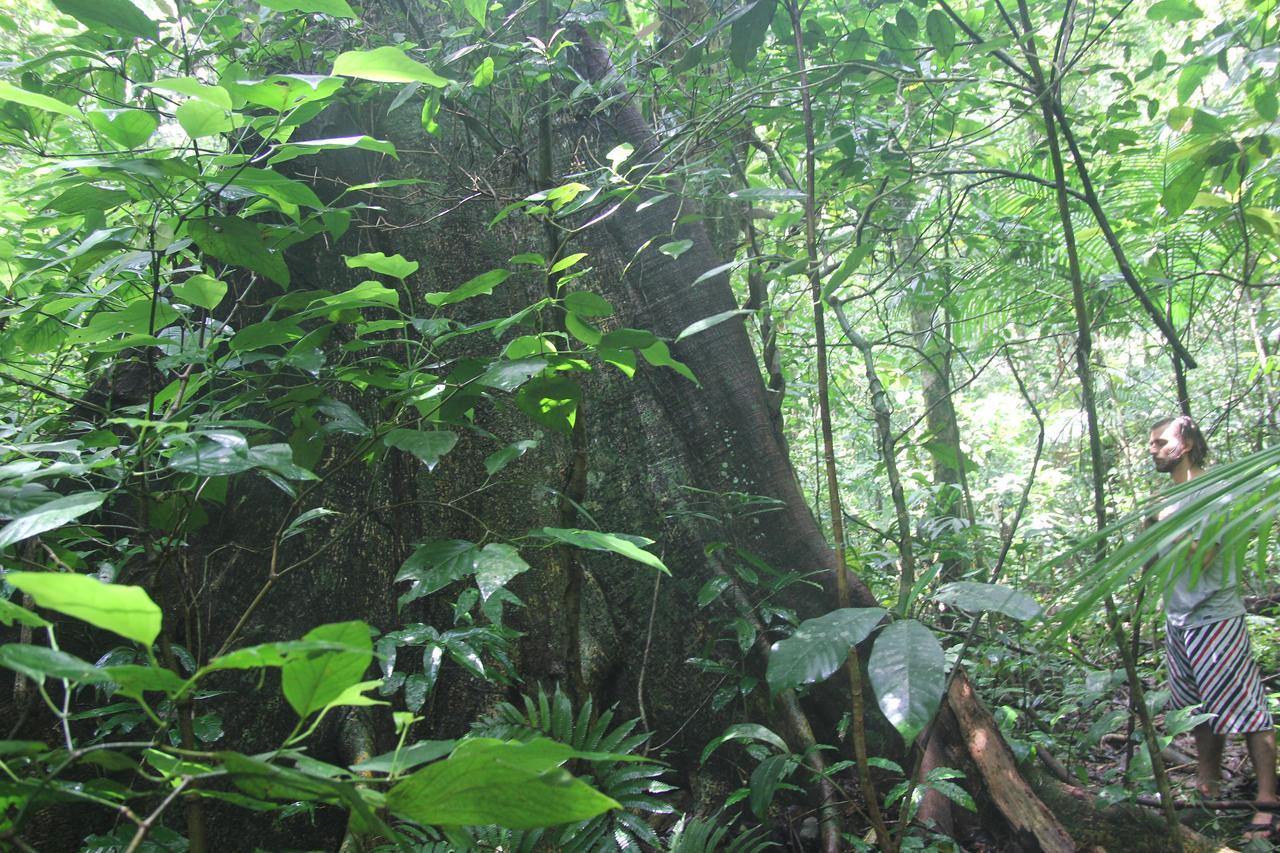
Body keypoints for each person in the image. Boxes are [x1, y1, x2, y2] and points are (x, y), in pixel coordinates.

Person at [1149, 415, 1278, 840]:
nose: (1151, 449)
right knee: (1198, 714)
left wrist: (1162, 530)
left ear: (1183, 444)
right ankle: (1209, 791)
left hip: (1215, 618)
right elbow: (1155, 563)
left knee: (1248, 712)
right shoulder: (1167, 499)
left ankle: (1266, 801)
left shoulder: (1214, 492)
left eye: (1158, 442)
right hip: (1179, 619)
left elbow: (1203, 557)